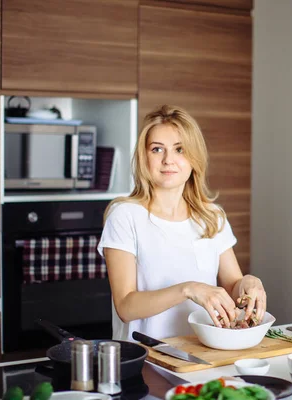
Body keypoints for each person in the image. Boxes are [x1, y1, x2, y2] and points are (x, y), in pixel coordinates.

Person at [97, 104, 267, 341]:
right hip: (146, 360)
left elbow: (233, 287)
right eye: (157, 149)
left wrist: (248, 282)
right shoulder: (124, 216)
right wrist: (189, 289)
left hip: (203, 352)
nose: (168, 160)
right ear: (144, 157)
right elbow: (126, 307)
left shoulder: (211, 215)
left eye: (180, 149)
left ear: (194, 158)